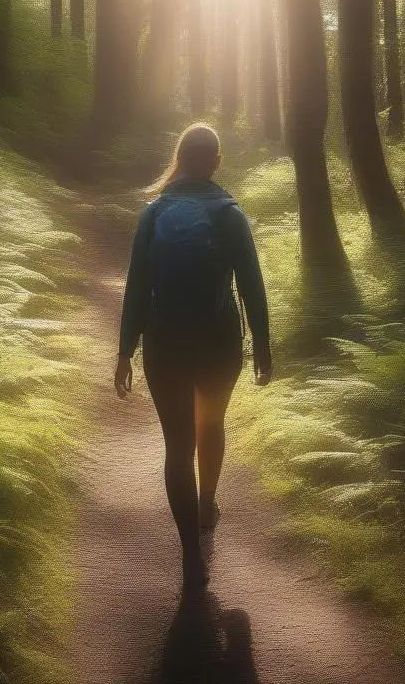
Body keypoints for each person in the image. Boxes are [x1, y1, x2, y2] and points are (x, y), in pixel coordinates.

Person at [115, 123, 273, 588]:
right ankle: (207, 503)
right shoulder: (230, 215)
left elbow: (137, 290)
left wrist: (125, 351)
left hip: (164, 346)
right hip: (219, 343)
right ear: (217, 162)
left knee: (178, 447)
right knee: (211, 423)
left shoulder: (153, 214)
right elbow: (251, 285)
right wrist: (262, 345)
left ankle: (189, 552)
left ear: (179, 159)